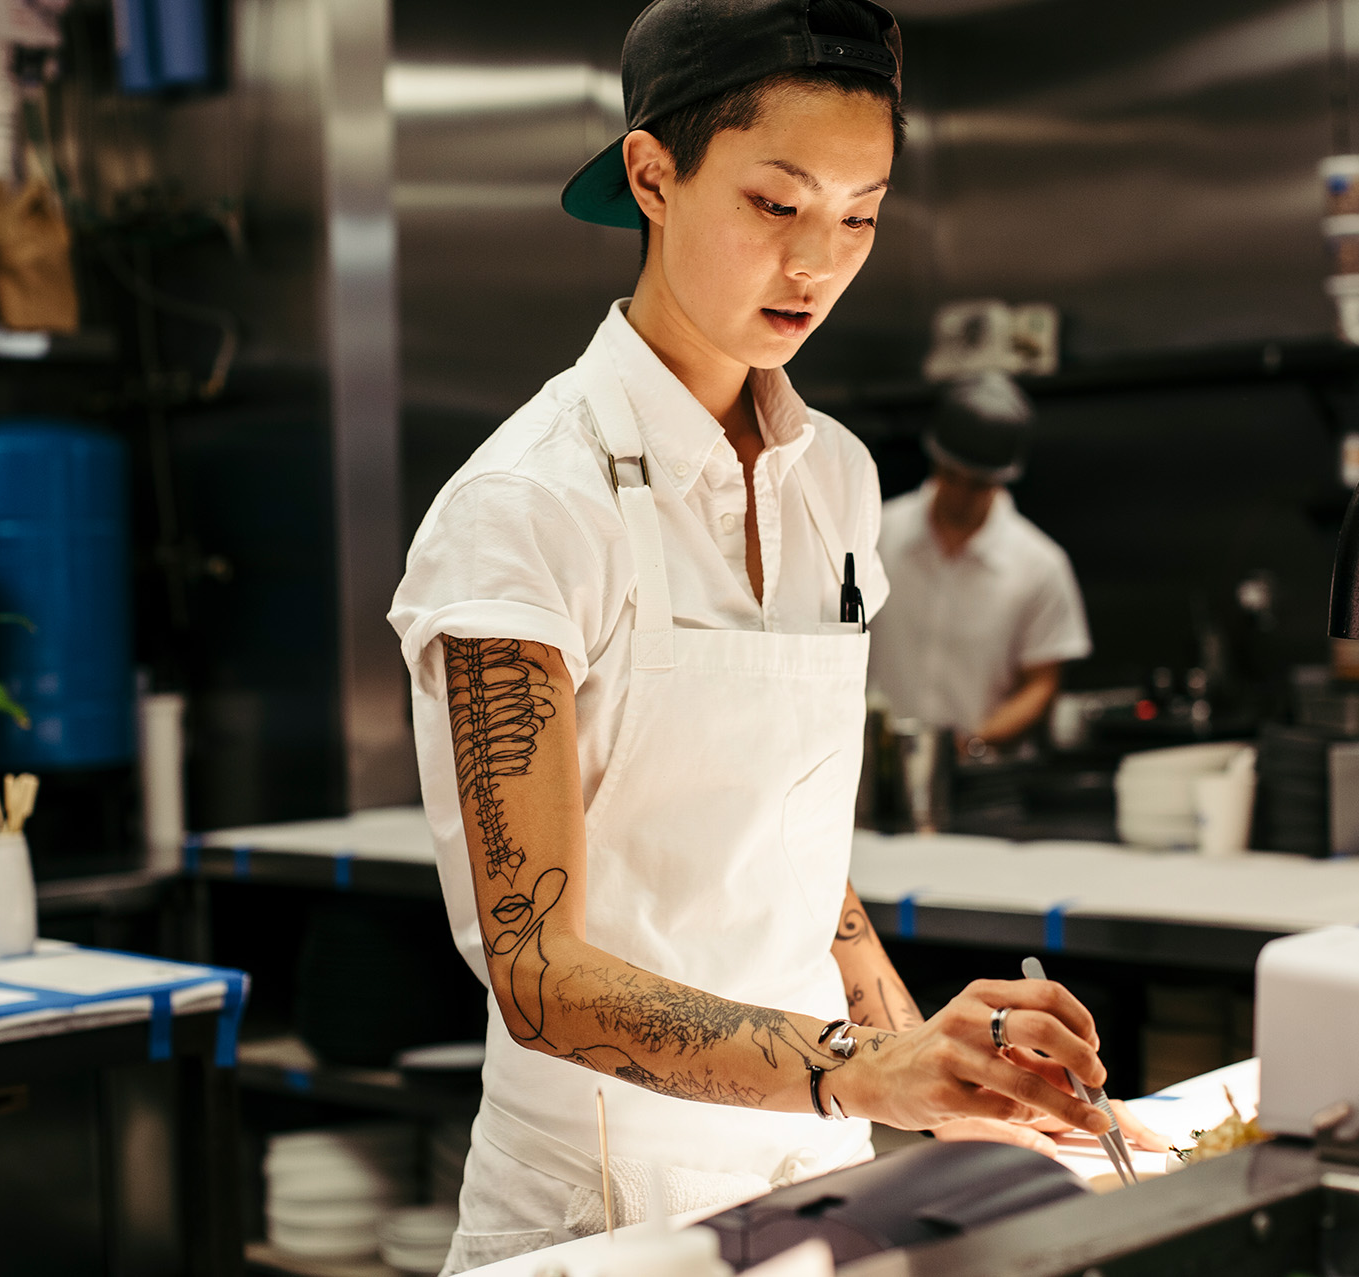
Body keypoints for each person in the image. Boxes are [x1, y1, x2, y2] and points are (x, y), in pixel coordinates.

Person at [390, 4, 1148, 1270]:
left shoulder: (836, 479)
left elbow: (794, 858)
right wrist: (869, 1068)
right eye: (775, 204)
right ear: (652, 176)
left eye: (859, 213)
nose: (818, 263)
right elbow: (536, 971)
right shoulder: (525, 507)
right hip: (601, 1198)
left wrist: (955, 1087)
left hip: (809, 1175)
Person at [868, 372, 1091, 755]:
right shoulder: (875, 532)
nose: (960, 494)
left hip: (984, 773)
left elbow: (1041, 683)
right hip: (872, 763)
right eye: (952, 476)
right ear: (935, 459)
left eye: (978, 483)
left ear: (1002, 480)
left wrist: (972, 744)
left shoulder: (1040, 565)